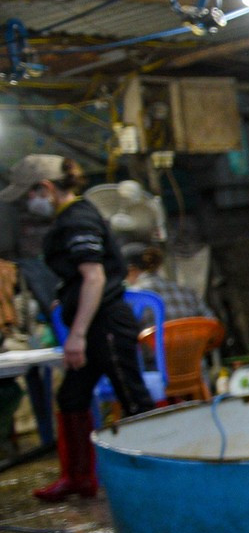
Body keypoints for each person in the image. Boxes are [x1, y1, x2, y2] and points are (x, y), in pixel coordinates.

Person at [3, 155, 157, 501]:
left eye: (29, 196)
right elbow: (81, 277)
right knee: (71, 397)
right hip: (93, 322)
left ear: (45, 188)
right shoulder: (72, 217)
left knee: (134, 399)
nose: (29, 205)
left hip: (105, 326)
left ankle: (158, 473)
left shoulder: (78, 220)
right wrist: (66, 298)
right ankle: (78, 477)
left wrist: (77, 335)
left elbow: (95, 276)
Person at [127, 245, 216, 321]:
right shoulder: (186, 291)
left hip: (154, 341)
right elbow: (211, 320)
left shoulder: (132, 296)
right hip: (191, 340)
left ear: (131, 270)